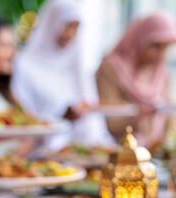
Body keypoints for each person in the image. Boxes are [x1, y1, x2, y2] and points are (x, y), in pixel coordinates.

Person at [11, 0, 114, 150]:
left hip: (83, 154)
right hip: (40, 156)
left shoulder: (76, 64)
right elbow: (22, 120)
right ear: (51, 22)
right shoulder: (24, 65)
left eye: (75, 28)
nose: (70, 34)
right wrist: (61, 118)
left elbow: (93, 117)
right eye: (66, 26)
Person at [96, 12, 176, 150]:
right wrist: (140, 115)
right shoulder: (111, 69)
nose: (161, 53)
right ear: (140, 39)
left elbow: (168, 117)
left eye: (165, 47)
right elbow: (110, 121)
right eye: (156, 45)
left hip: (157, 151)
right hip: (117, 150)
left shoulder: (160, 70)